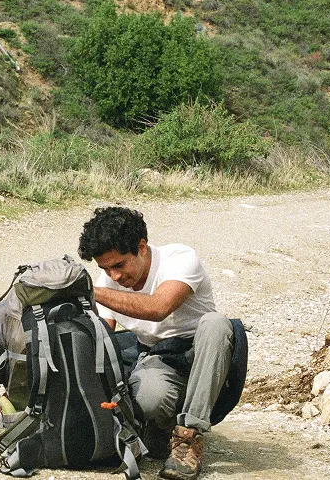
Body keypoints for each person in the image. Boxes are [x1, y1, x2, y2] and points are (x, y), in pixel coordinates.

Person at [78, 206, 234, 480]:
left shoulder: (180, 259)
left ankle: (189, 436)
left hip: (206, 358)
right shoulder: (109, 282)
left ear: (142, 247)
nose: (115, 276)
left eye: (119, 265)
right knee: (150, 399)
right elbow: (102, 339)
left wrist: (90, 291)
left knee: (217, 324)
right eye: (105, 268)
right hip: (158, 359)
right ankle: (160, 430)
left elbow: (158, 307)